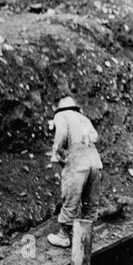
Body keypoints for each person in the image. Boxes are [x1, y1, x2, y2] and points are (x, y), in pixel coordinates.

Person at [47, 96, 103, 249]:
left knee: (71, 197)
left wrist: (58, 153)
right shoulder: (84, 118)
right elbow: (95, 136)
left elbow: (61, 135)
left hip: (78, 162)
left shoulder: (61, 116)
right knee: (90, 202)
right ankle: (86, 236)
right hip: (95, 162)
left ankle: (64, 235)